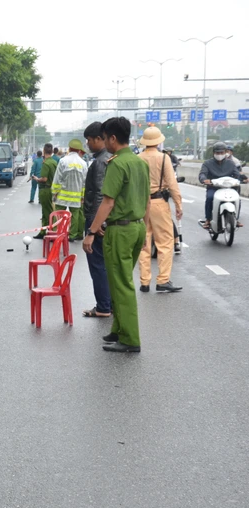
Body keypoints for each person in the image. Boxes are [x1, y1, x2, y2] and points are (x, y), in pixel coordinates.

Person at [83, 117, 151, 354]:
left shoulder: (117, 164)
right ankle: (119, 329)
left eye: (104, 138)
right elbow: (147, 200)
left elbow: (108, 202)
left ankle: (130, 339)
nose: (104, 142)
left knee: (121, 285)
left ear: (112, 138)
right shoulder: (139, 162)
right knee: (119, 281)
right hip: (136, 227)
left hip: (120, 230)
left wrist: (91, 232)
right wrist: (145, 231)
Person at [137, 127, 183, 294]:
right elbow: (172, 184)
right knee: (164, 242)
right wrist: (178, 205)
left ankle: (144, 282)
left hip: (141, 204)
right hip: (158, 203)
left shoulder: (138, 158)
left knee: (144, 242)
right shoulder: (164, 158)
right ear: (158, 141)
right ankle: (163, 280)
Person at [81, 122, 112, 318]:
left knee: (97, 265)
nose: (88, 144)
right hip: (107, 221)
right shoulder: (110, 158)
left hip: (97, 221)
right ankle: (109, 303)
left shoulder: (101, 162)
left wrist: (95, 225)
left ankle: (102, 306)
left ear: (100, 139)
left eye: (90, 140)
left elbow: (101, 194)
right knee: (107, 265)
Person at [199, 141, 247, 229]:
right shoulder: (207, 163)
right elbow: (203, 174)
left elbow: (237, 174)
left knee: (237, 199)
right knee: (210, 198)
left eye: (222, 152)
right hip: (214, 187)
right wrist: (204, 179)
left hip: (229, 188)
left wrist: (244, 178)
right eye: (217, 153)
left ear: (225, 152)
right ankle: (208, 219)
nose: (220, 154)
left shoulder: (231, 163)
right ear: (214, 153)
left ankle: (235, 219)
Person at [51, 139, 87, 242]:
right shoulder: (83, 163)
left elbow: (57, 178)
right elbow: (84, 182)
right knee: (75, 215)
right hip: (76, 196)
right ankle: (73, 235)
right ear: (79, 150)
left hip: (62, 195)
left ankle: (57, 233)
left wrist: (54, 192)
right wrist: (82, 196)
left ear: (70, 148)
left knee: (58, 213)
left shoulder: (63, 161)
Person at [33, 143, 58, 239]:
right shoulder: (54, 162)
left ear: (44, 151)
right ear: (52, 151)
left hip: (45, 189)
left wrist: (36, 178)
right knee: (48, 211)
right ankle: (43, 231)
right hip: (52, 189)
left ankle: (52, 232)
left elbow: (44, 179)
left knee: (47, 212)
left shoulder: (46, 163)